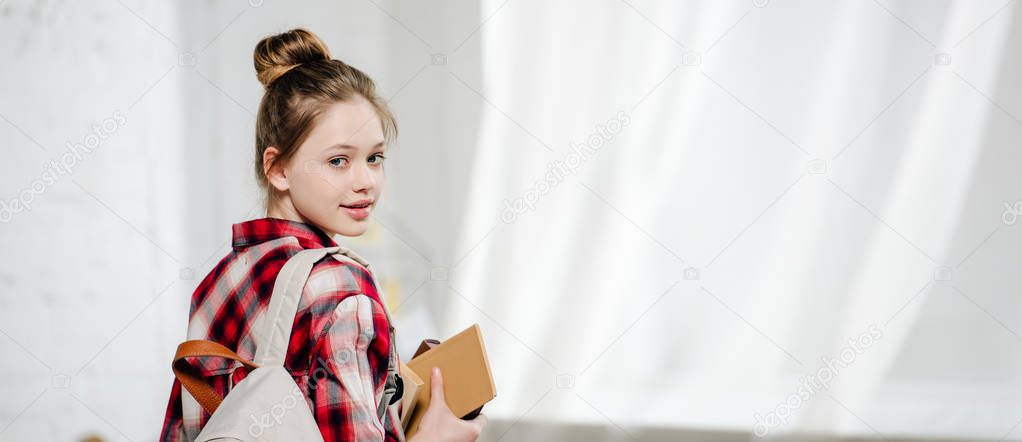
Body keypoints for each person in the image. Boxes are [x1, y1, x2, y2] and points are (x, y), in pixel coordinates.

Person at [158, 28, 487, 442]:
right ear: (278, 169)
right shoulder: (341, 287)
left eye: (374, 157)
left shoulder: (217, 282)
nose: (366, 180)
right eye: (338, 161)